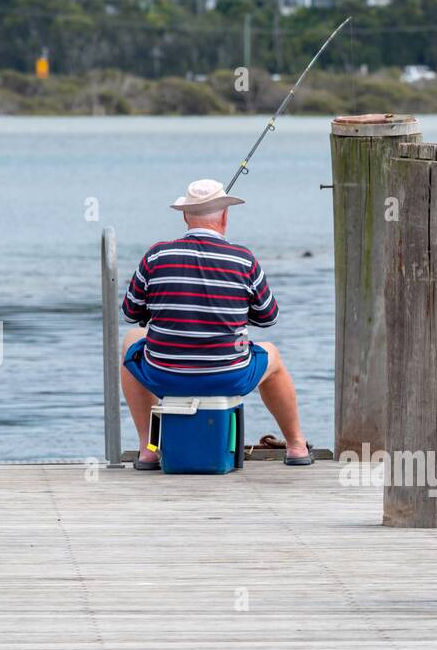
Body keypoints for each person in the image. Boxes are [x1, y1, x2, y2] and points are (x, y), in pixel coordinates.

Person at [120, 177, 312, 470]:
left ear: (185, 216)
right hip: (228, 375)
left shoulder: (156, 255)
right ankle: (297, 447)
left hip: (163, 374)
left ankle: (148, 449)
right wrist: (230, 310)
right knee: (271, 354)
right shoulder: (244, 260)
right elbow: (268, 316)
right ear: (225, 216)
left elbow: (131, 311)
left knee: (130, 341)